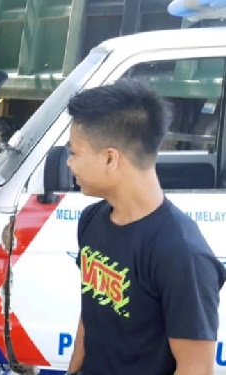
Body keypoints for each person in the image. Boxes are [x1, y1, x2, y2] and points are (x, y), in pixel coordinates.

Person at [65, 79, 226, 375]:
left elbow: (196, 368)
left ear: (110, 158)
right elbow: (90, 315)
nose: (69, 164)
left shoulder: (181, 253)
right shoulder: (92, 219)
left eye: (74, 153)